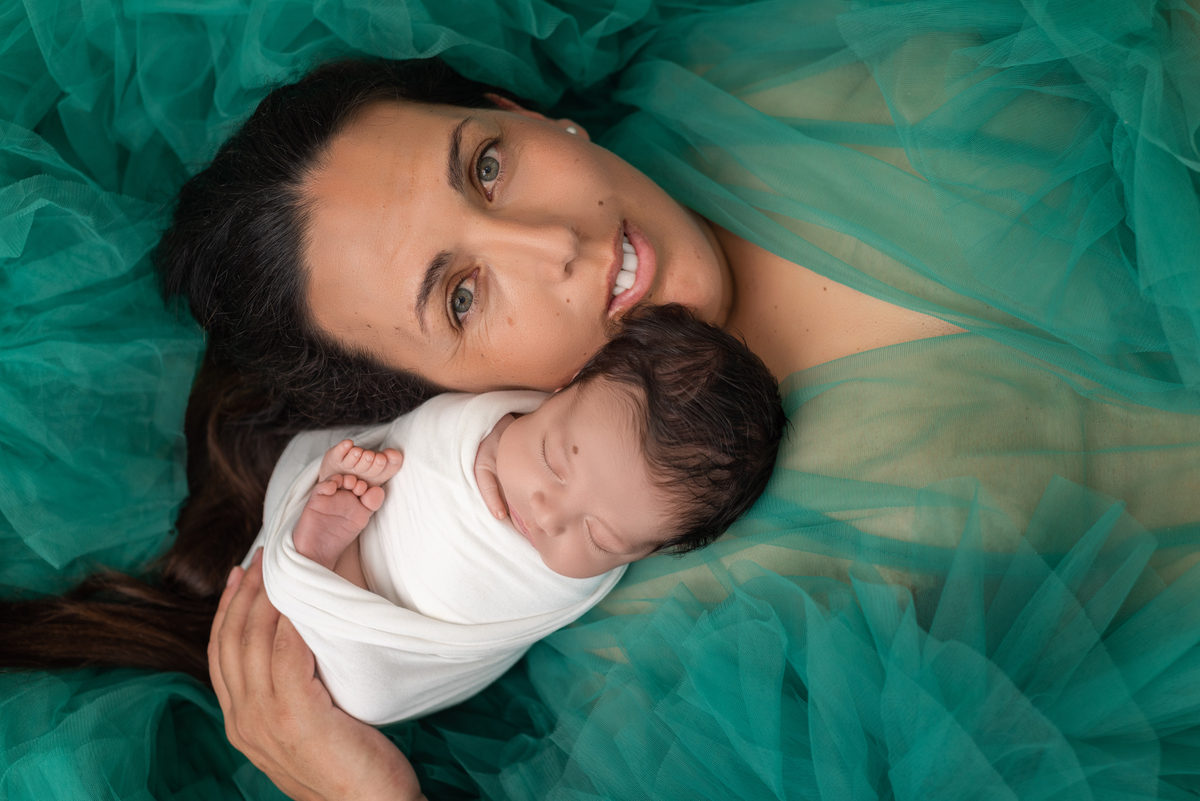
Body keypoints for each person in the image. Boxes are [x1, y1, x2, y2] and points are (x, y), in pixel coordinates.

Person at [2, 0, 1199, 799]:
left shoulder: (791, 49)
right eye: (461, 297)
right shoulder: (688, 643)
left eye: (487, 165)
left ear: (527, 114)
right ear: (445, 396)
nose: (556, 243)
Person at [262, 304, 783, 724]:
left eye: (600, 537)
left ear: (649, 552)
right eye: (553, 462)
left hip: (409, 646)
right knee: (383, 464)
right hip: (391, 506)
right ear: (561, 388)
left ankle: (331, 569)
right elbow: (434, 430)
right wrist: (484, 430)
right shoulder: (504, 413)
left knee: (369, 694)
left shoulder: (569, 581)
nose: (549, 515)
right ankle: (335, 554)